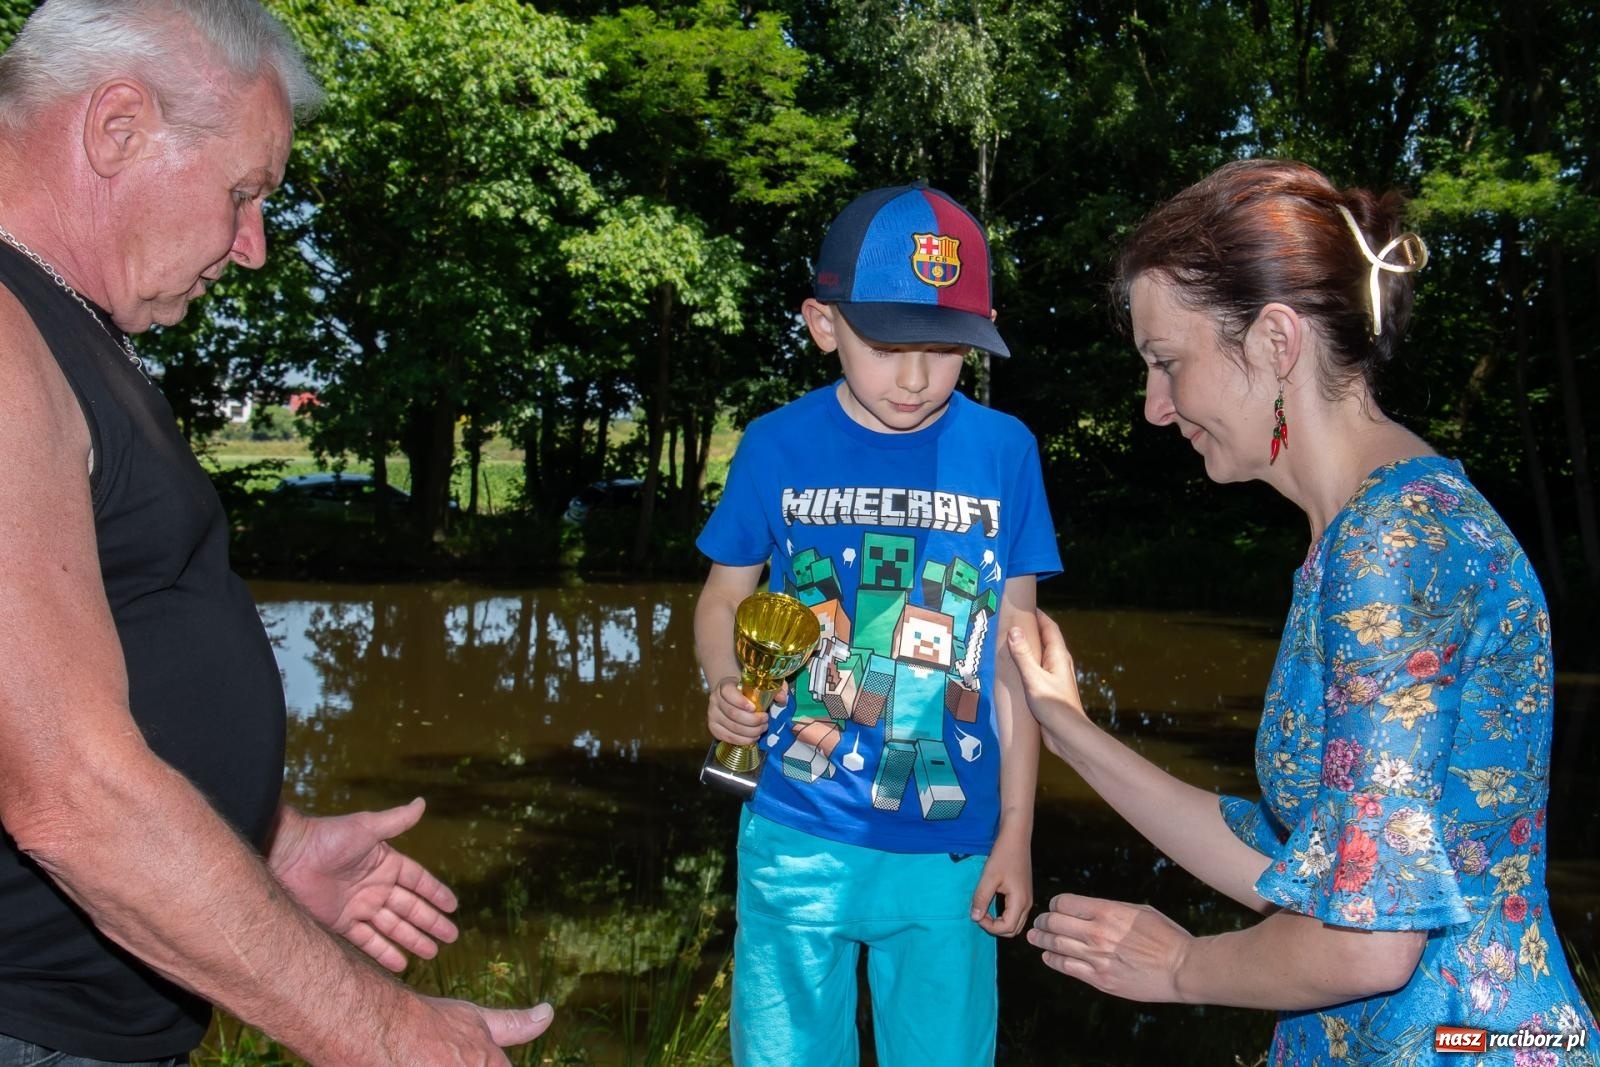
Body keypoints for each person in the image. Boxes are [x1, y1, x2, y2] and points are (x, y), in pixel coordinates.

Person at [0, 2, 553, 1063]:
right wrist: (387, 1033)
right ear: (116, 127)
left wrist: (266, 837)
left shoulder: (62, 326)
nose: (252, 248)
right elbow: (71, 796)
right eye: (245, 194)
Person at [1006, 159, 1600, 1065]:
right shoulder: (1372, 528)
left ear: (1276, 341)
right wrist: (1064, 725)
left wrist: (1182, 968)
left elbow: (1364, 944)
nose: (1154, 407)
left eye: (1167, 363)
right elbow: (1305, 870)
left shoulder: (1387, 550)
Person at [694, 182, 1061, 1066]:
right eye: (888, 344)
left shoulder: (1004, 451)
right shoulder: (775, 444)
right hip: (798, 830)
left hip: (951, 846)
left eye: (944, 350)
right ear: (825, 325)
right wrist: (722, 681)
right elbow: (721, 599)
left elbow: (1019, 658)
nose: (914, 377)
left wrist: (1016, 828)